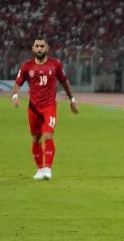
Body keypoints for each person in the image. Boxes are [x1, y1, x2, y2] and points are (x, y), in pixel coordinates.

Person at [11, 36, 78, 180]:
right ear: (33, 48)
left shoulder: (56, 64)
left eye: (42, 46)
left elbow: (65, 82)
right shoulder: (27, 66)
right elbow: (18, 83)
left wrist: (72, 99)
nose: (40, 48)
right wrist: (15, 96)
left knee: (48, 135)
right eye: (37, 46)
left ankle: (48, 168)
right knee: (35, 139)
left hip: (49, 107)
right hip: (33, 109)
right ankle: (40, 170)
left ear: (47, 48)